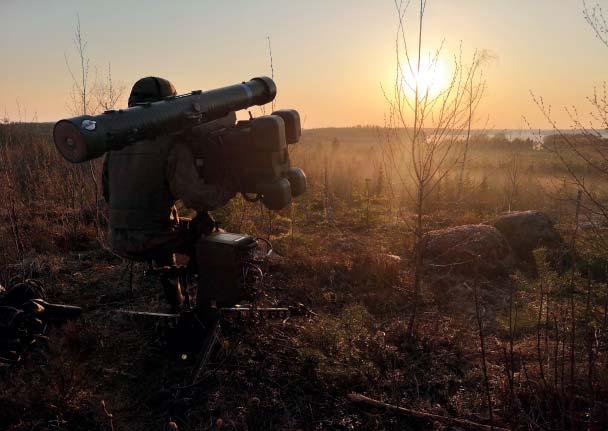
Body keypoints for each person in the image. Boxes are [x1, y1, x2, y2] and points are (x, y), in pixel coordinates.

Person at [102, 77, 234, 312]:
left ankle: (176, 302)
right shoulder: (172, 144)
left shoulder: (116, 143)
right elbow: (197, 198)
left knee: (167, 228)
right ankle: (209, 312)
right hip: (151, 239)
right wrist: (229, 187)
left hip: (117, 238)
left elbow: (107, 194)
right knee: (214, 239)